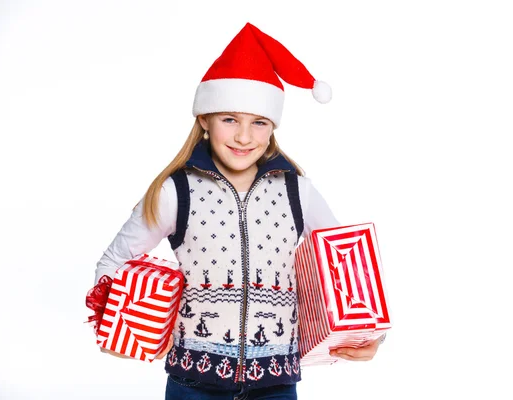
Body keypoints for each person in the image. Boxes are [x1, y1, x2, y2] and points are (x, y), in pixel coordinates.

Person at [92, 22, 384, 400]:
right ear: (205, 120)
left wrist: (372, 334)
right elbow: (113, 262)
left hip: (276, 385)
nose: (244, 137)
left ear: (272, 126)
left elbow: (346, 268)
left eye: (258, 122)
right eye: (230, 119)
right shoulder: (175, 192)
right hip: (192, 384)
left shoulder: (298, 191)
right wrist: (116, 326)